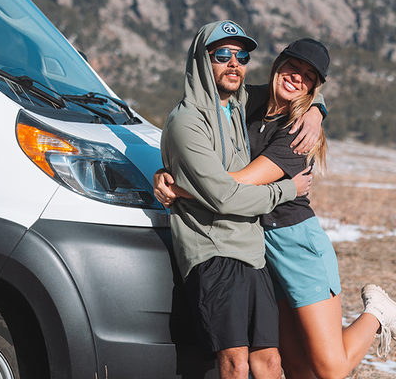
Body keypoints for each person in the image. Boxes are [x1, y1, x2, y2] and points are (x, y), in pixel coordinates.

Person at [155, 37, 396, 379]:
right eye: (293, 66)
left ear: (313, 87)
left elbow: (236, 183)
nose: (298, 77)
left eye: (309, 77)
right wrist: (167, 170)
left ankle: (377, 313)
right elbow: (206, 152)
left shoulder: (297, 133)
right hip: (259, 246)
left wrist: (181, 189)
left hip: (297, 242)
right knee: (294, 365)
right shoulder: (249, 104)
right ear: (277, 64)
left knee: (331, 368)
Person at [159, 20, 324, 379]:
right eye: (222, 55)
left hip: (252, 251)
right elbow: (224, 196)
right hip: (214, 250)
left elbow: (296, 87)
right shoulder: (187, 122)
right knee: (234, 364)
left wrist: (316, 110)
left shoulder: (239, 102)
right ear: (203, 60)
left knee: (270, 363)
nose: (234, 64)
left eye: (242, 55)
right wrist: (287, 190)